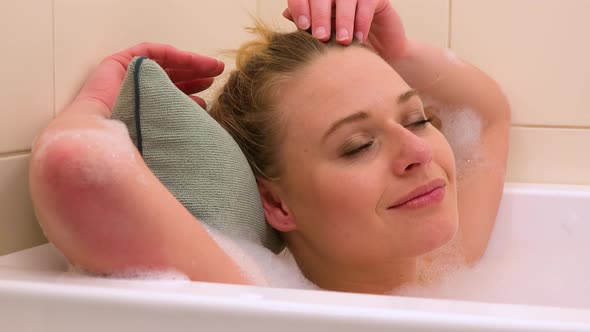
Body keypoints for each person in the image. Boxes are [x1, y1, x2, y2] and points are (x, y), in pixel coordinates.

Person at [29, 0, 510, 294]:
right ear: (277, 203)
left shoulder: (444, 263)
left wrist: (396, 50)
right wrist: (97, 99)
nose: (419, 151)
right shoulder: (253, 301)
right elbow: (75, 166)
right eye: (358, 146)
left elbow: (487, 115)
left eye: (417, 119)